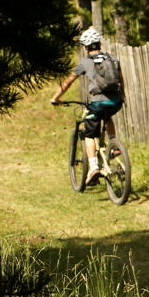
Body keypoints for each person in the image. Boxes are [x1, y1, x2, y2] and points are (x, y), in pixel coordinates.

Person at [50, 27, 125, 186]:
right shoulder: (112, 58)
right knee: (107, 116)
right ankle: (113, 144)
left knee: (89, 133)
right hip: (116, 101)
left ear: (85, 47)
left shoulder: (85, 62)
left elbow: (68, 82)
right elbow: (121, 78)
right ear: (99, 44)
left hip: (98, 102)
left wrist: (56, 98)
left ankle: (93, 168)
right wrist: (122, 96)